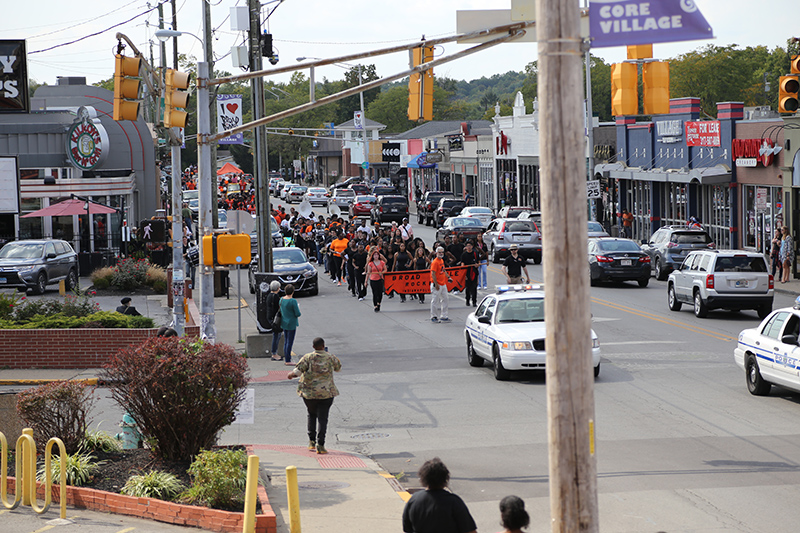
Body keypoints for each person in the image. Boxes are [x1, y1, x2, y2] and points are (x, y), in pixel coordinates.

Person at [286, 337, 342, 455]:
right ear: (323, 346)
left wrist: (290, 375)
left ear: (313, 347)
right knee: (323, 418)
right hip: (327, 393)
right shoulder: (330, 357)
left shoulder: (308, 357)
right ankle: (321, 445)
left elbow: (297, 372)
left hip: (309, 394)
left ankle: (311, 441)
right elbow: (338, 368)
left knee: (311, 414)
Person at [401, 457, 477, 533]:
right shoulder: (454, 502)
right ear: (445, 479)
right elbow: (470, 530)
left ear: (422, 478)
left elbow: (407, 529)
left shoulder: (414, 500)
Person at [279, 284, 301, 365]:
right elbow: (297, 313)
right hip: (291, 323)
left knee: (286, 341)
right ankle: (288, 360)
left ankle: (287, 358)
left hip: (284, 322)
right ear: (292, 292)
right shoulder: (293, 301)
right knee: (290, 342)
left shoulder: (281, 299)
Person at [430, 247, 452, 323]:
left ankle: (444, 315)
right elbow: (433, 273)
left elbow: (443, 270)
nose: (441, 253)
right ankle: (434, 316)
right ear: (436, 253)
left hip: (443, 283)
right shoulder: (435, 262)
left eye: (442, 252)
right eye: (439, 252)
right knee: (435, 301)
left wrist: (448, 277)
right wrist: (436, 284)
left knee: (445, 299)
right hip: (437, 284)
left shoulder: (441, 260)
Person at [266, 281, 284, 360]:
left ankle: (275, 353)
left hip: (271, 318)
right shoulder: (275, 297)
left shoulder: (269, 296)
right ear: (277, 288)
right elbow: (278, 308)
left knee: (276, 335)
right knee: (276, 336)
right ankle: (274, 353)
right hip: (275, 319)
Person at [460, 240, 480, 307]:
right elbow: (462, 263)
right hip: (467, 272)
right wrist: (463, 272)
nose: (469, 247)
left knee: (474, 287)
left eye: (470, 246)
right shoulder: (464, 255)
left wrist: (477, 265)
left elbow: (478, 262)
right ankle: (467, 300)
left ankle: (474, 301)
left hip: (474, 272)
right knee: (468, 288)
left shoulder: (475, 253)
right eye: (467, 246)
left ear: (472, 246)